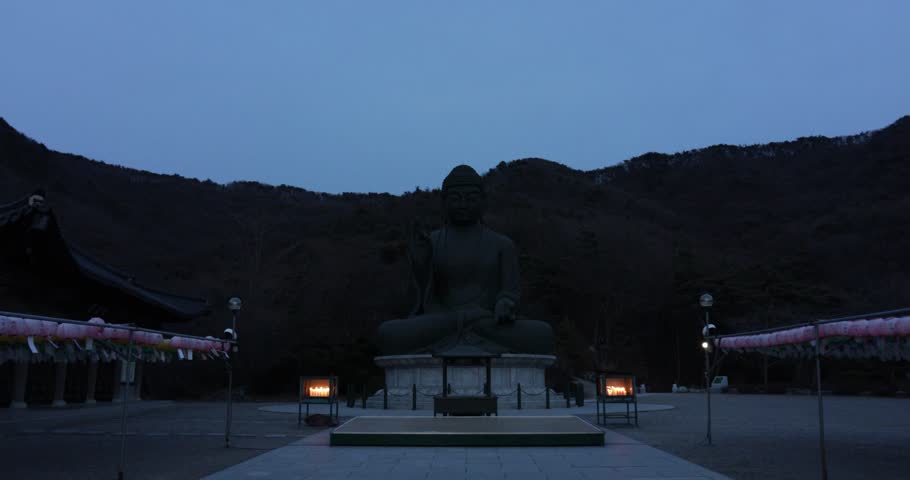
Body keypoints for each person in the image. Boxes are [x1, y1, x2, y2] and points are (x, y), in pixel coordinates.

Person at [375, 165, 554, 355]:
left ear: (483, 201)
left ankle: (467, 329)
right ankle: (468, 327)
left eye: (470, 199)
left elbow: (510, 292)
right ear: (443, 202)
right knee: (388, 334)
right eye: (455, 199)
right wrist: (420, 264)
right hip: (444, 320)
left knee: (543, 334)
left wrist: (505, 303)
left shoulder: (502, 244)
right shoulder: (431, 242)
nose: (463, 205)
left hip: (487, 321)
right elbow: (418, 303)